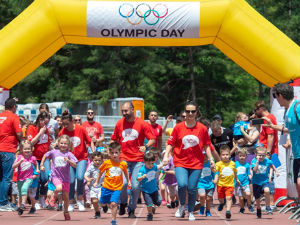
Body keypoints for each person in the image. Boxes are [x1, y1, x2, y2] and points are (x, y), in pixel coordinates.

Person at [163, 101, 214, 221]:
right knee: (182, 185)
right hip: (180, 161)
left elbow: (207, 145)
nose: (190, 113)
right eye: (187, 111)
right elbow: (170, 143)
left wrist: (211, 160)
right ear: (185, 113)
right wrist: (166, 156)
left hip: (196, 163)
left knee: (192, 188)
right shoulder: (178, 127)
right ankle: (181, 206)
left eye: (192, 111)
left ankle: (190, 211)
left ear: (196, 113)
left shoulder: (202, 128)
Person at [110, 102, 155, 218]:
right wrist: (111, 151)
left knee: (135, 186)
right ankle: (123, 202)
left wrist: (146, 147)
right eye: (123, 111)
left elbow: (152, 139)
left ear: (132, 109)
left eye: (126, 111)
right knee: (123, 183)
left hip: (138, 159)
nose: (124, 113)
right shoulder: (120, 123)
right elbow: (113, 139)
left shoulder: (142, 123)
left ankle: (131, 209)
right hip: (123, 158)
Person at [264, 83, 300, 201]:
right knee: (296, 184)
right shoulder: (287, 111)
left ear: (280, 95)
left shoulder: (297, 107)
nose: (275, 99)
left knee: (299, 182)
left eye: (275, 96)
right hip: (296, 154)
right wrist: (273, 127)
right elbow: (286, 129)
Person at [59, 110, 92, 212]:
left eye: (67, 124)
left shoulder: (81, 129)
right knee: (71, 181)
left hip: (81, 158)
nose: (65, 126)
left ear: (72, 121)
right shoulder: (62, 132)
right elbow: (59, 144)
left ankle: (80, 200)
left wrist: (92, 151)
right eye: (63, 124)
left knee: (80, 177)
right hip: (68, 160)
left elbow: (89, 141)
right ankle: (71, 202)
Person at [40, 135, 78, 220]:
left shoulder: (69, 154)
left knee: (66, 197)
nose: (63, 145)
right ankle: (53, 198)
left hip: (66, 178)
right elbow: (45, 156)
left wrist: (68, 161)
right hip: (55, 176)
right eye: (61, 143)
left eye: (65, 144)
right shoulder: (54, 152)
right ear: (58, 143)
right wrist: (42, 165)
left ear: (68, 145)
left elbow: (75, 165)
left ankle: (66, 211)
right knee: (59, 187)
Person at [93, 142, 130, 225]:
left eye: (116, 152)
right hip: (106, 187)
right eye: (112, 153)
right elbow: (100, 172)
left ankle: (113, 220)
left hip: (117, 188)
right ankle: (104, 206)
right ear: (109, 153)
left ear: (120, 153)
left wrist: (129, 182)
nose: (114, 155)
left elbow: (126, 173)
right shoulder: (106, 163)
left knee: (114, 203)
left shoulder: (123, 164)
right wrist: (96, 182)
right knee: (102, 202)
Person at [0, 98, 22, 211]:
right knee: (6, 178)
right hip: (7, 149)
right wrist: (21, 141)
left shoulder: (1, 115)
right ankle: (3, 203)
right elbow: (19, 133)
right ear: (13, 106)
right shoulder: (14, 117)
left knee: (1, 177)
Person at [27, 111, 51, 209]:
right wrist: (40, 133)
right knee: (36, 178)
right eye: (45, 123)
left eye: (47, 123)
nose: (46, 125)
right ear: (40, 120)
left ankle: (42, 197)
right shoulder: (31, 128)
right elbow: (30, 143)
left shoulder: (47, 130)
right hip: (34, 158)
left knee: (45, 178)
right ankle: (35, 200)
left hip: (44, 157)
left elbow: (47, 144)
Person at [251, 146, 280, 218]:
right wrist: (257, 161)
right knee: (257, 199)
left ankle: (268, 206)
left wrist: (276, 171)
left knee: (267, 191)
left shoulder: (267, 160)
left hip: (264, 181)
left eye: (263, 155)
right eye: (259, 155)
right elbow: (254, 170)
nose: (261, 157)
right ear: (256, 154)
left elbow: (272, 165)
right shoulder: (254, 161)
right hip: (256, 182)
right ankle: (258, 208)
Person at [12, 140, 39, 215]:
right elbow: (13, 167)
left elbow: (35, 163)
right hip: (20, 179)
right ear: (21, 149)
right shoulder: (19, 157)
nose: (27, 150)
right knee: (21, 194)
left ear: (31, 149)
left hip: (29, 178)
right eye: (25, 149)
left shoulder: (33, 158)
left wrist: (37, 169)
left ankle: (23, 204)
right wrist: (19, 162)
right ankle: (22, 208)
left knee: (25, 189)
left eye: (28, 149)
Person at [137, 152, 163, 221]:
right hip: (146, 191)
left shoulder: (154, 166)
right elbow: (138, 178)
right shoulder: (142, 169)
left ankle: (154, 205)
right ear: (144, 162)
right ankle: (150, 214)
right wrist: (142, 176)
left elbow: (158, 166)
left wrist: (164, 163)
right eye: (148, 164)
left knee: (158, 202)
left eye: (152, 163)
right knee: (149, 204)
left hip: (154, 189)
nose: (151, 165)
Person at [214, 145, 238, 220]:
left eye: (227, 155)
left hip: (230, 185)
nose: (225, 156)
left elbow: (234, 172)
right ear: (220, 156)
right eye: (223, 155)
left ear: (230, 155)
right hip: (220, 184)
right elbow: (215, 172)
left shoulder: (233, 164)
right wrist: (212, 169)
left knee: (229, 198)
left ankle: (228, 211)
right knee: (221, 198)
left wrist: (237, 179)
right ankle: (221, 204)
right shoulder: (218, 164)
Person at [197, 153, 218, 217]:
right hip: (201, 184)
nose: (205, 157)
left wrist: (215, 179)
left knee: (209, 199)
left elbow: (216, 172)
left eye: (206, 156)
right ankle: (202, 206)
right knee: (202, 196)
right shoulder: (199, 165)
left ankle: (208, 211)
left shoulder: (211, 165)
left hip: (210, 184)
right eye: (203, 156)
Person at [84, 151, 104, 219]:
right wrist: (88, 179)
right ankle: (97, 212)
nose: (97, 162)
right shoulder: (91, 166)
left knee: (100, 199)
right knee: (94, 201)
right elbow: (85, 175)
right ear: (92, 160)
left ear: (102, 160)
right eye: (95, 160)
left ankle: (104, 206)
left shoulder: (104, 165)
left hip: (102, 186)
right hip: (93, 187)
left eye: (99, 160)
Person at [235, 148, 255, 213]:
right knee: (240, 198)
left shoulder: (247, 165)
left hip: (245, 182)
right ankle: (242, 208)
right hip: (238, 184)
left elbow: (248, 173)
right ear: (238, 156)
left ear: (246, 156)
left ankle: (249, 205)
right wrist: (236, 180)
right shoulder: (235, 164)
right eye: (240, 156)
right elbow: (234, 173)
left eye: (243, 156)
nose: (242, 157)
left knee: (248, 194)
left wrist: (251, 176)